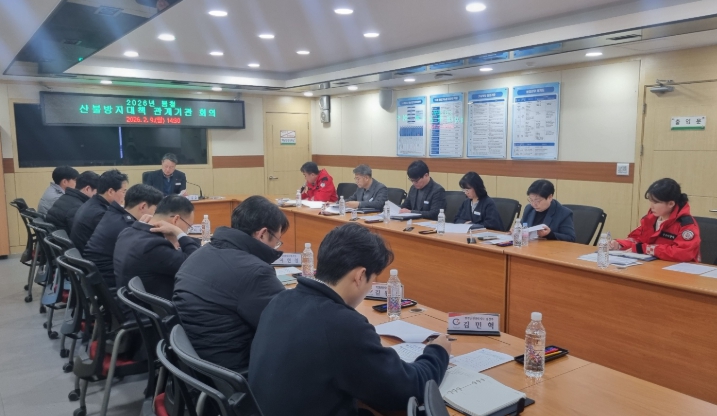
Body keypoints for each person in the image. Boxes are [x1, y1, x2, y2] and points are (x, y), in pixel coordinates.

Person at [249, 223, 451, 416]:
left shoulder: (281, 299)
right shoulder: (342, 325)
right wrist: (437, 351)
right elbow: (408, 388)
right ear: (360, 276)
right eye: (372, 280)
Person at [173, 195, 289, 373]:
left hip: (196, 363)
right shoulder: (255, 272)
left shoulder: (201, 253)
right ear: (263, 234)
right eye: (277, 241)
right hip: (232, 371)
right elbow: (286, 326)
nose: (275, 247)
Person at [114, 195, 200, 300]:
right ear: (176, 220)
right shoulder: (154, 245)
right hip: (153, 308)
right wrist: (178, 232)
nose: (187, 231)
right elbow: (195, 264)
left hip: (129, 303)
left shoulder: (127, 232)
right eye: (188, 226)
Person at [84, 184, 163, 287]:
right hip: (109, 281)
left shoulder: (114, 214)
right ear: (143, 206)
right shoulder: (127, 227)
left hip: (98, 277)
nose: (156, 214)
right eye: (156, 210)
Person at [610, 178, 701, 262]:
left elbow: (683, 253)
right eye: (650, 201)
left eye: (656, 202)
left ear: (671, 204)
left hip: (679, 269)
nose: (651, 206)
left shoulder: (686, 224)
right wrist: (619, 244)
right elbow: (637, 239)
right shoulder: (650, 219)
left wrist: (648, 249)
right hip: (654, 265)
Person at [70, 169, 129, 254]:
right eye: (124, 191)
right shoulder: (100, 214)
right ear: (110, 191)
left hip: (81, 254)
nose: (125, 196)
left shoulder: (92, 203)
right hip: (89, 258)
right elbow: (118, 238)